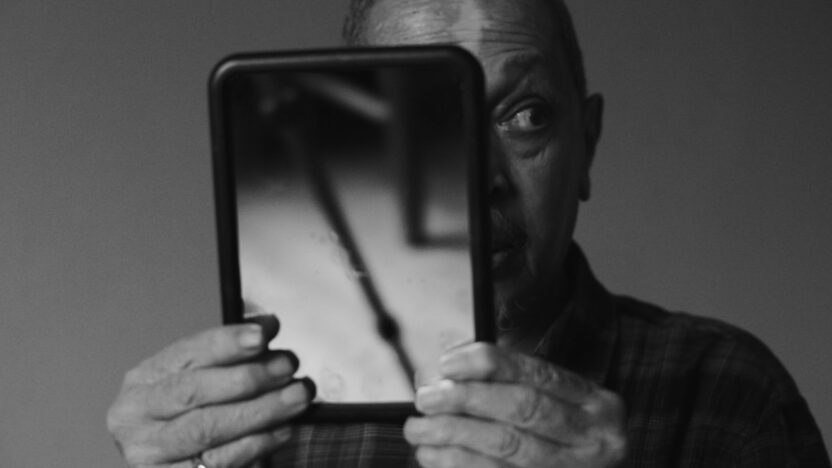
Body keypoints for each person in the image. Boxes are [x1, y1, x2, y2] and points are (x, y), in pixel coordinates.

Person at [106, 0, 830, 466]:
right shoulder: (262, 415)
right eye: (424, 123)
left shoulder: (732, 396)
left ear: (587, 144)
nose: (477, 179)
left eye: (525, 116)